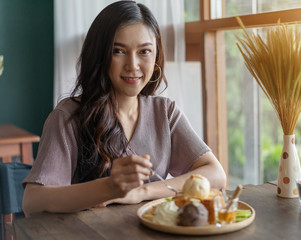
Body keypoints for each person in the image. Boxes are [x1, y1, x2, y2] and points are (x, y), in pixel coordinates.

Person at [22, 0, 226, 216]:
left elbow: (215, 175)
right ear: (99, 55)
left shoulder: (165, 113)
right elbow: (33, 201)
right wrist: (108, 188)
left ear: (157, 55)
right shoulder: (68, 117)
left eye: (144, 51)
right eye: (118, 51)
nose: (133, 65)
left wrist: (142, 191)